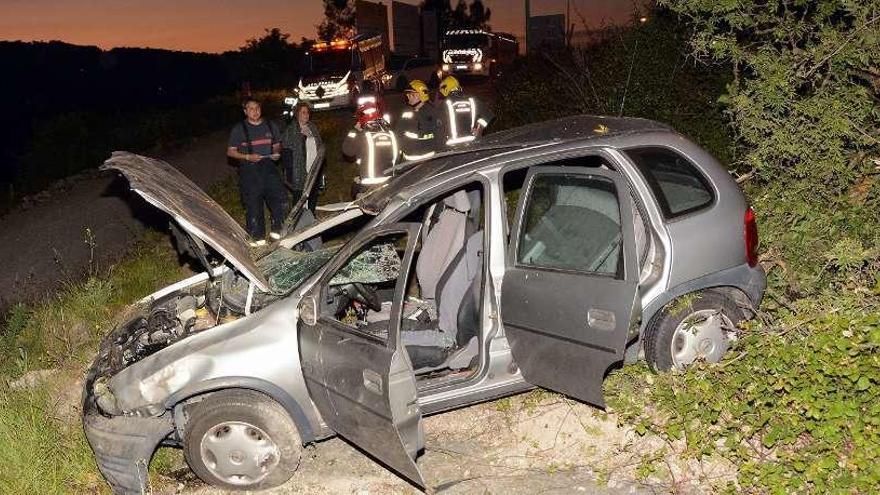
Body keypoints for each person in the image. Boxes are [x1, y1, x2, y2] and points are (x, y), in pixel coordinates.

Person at [226, 97, 287, 247]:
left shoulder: (270, 125)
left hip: (269, 169)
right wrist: (247, 156)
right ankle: (258, 243)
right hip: (250, 172)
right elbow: (230, 152)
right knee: (253, 207)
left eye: (257, 108)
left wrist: (276, 153)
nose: (255, 111)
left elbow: (277, 145)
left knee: (279, 202)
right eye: (251, 109)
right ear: (245, 111)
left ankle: (278, 236)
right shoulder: (239, 129)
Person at [342, 96, 400, 198]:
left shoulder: (363, 136)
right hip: (390, 181)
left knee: (356, 193)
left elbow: (347, 150)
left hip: (369, 184)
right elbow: (398, 156)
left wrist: (354, 131)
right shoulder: (391, 133)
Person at [281, 101, 324, 214]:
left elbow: (320, 144)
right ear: (297, 114)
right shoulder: (291, 130)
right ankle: (297, 221)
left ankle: (311, 215)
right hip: (298, 169)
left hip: (313, 166)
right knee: (299, 197)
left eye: (307, 112)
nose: (306, 115)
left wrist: (321, 161)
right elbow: (286, 153)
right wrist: (290, 171)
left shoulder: (312, 127)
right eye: (303, 112)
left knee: (313, 193)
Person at [437, 75, 494, 148]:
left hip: (453, 146)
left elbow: (438, 126)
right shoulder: (472, 100)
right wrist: (479, 129)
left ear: (445, 89)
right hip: (472, 143)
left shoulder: (444, 104)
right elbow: (488, 114)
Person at [395, 80, 443, 162]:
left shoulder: (432, 112)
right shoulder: (406, 112)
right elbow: (398, 133)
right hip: (408, 161)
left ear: (421, 95)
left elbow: (440, 135)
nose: (408, 97)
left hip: (428, 160)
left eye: (411, 95)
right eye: (408, 95)